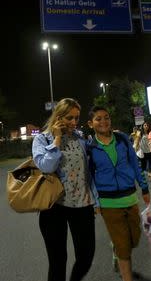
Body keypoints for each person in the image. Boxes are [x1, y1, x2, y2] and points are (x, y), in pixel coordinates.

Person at [32, 98, 97, 281]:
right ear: (58, 117)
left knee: (86, 257)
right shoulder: (42, 139)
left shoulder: (80, 138)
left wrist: (96, 200)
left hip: (82, 204)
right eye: (69, 118)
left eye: (77, 118)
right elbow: (46, 167)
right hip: (54, 207)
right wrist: (58, 139)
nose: (74, 122)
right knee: (58, 261)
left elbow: (89, 170)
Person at [87, 106, 150, 281]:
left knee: (134, 239)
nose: (103, 121)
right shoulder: (90, 148)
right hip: (108, 203)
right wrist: (95, 202)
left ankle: (116, 249)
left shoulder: (122, 140)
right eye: (98, 119)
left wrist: (144, 188)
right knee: (124, 246)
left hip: (130, 197)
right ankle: (126, 276)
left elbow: (136, 165)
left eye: (106, 117)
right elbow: (90, 177)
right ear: (90, 123)